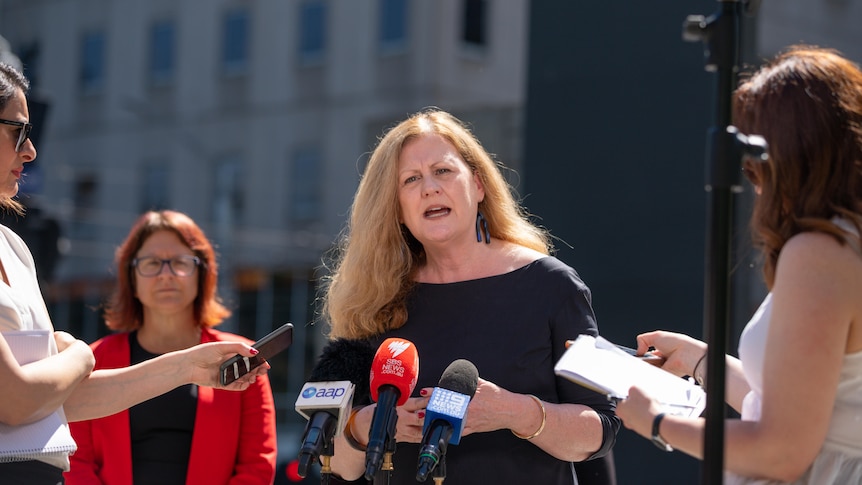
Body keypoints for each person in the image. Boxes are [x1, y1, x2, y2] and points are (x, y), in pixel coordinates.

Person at [320, 108, 620, 485]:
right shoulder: (374, 300)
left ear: (478, 185)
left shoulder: (551, 285)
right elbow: (337, 466)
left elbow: (599, 432)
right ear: (396, 209)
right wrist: (368, 425)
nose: (430, 187)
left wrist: (515, 412)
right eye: (411, 179)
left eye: (443, 171)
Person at [0, 63, 266, 485]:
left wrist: (187, 367)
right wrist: (81, 356)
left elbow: (60, 400)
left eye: (180, 263)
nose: (30, 151)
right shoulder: (94, 353)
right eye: (19, 130)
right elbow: (17, 400)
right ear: (129, 276)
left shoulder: (15, 250)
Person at [615, 45, 862, 484]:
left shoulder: (819, 252)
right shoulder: (843, 244)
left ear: (791, 157)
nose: (754, 183)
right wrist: (700, 360)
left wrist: (656, 422)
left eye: (753, 166)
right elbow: (797, 408)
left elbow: (782, 450)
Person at [66, 210, 278, 484]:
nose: (166, 274)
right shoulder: (93, 360)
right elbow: (74, 461)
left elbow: (257, 466)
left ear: (202, 274)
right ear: (132, 279)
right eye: (152, 263)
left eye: (180, 262)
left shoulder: (241, 356)